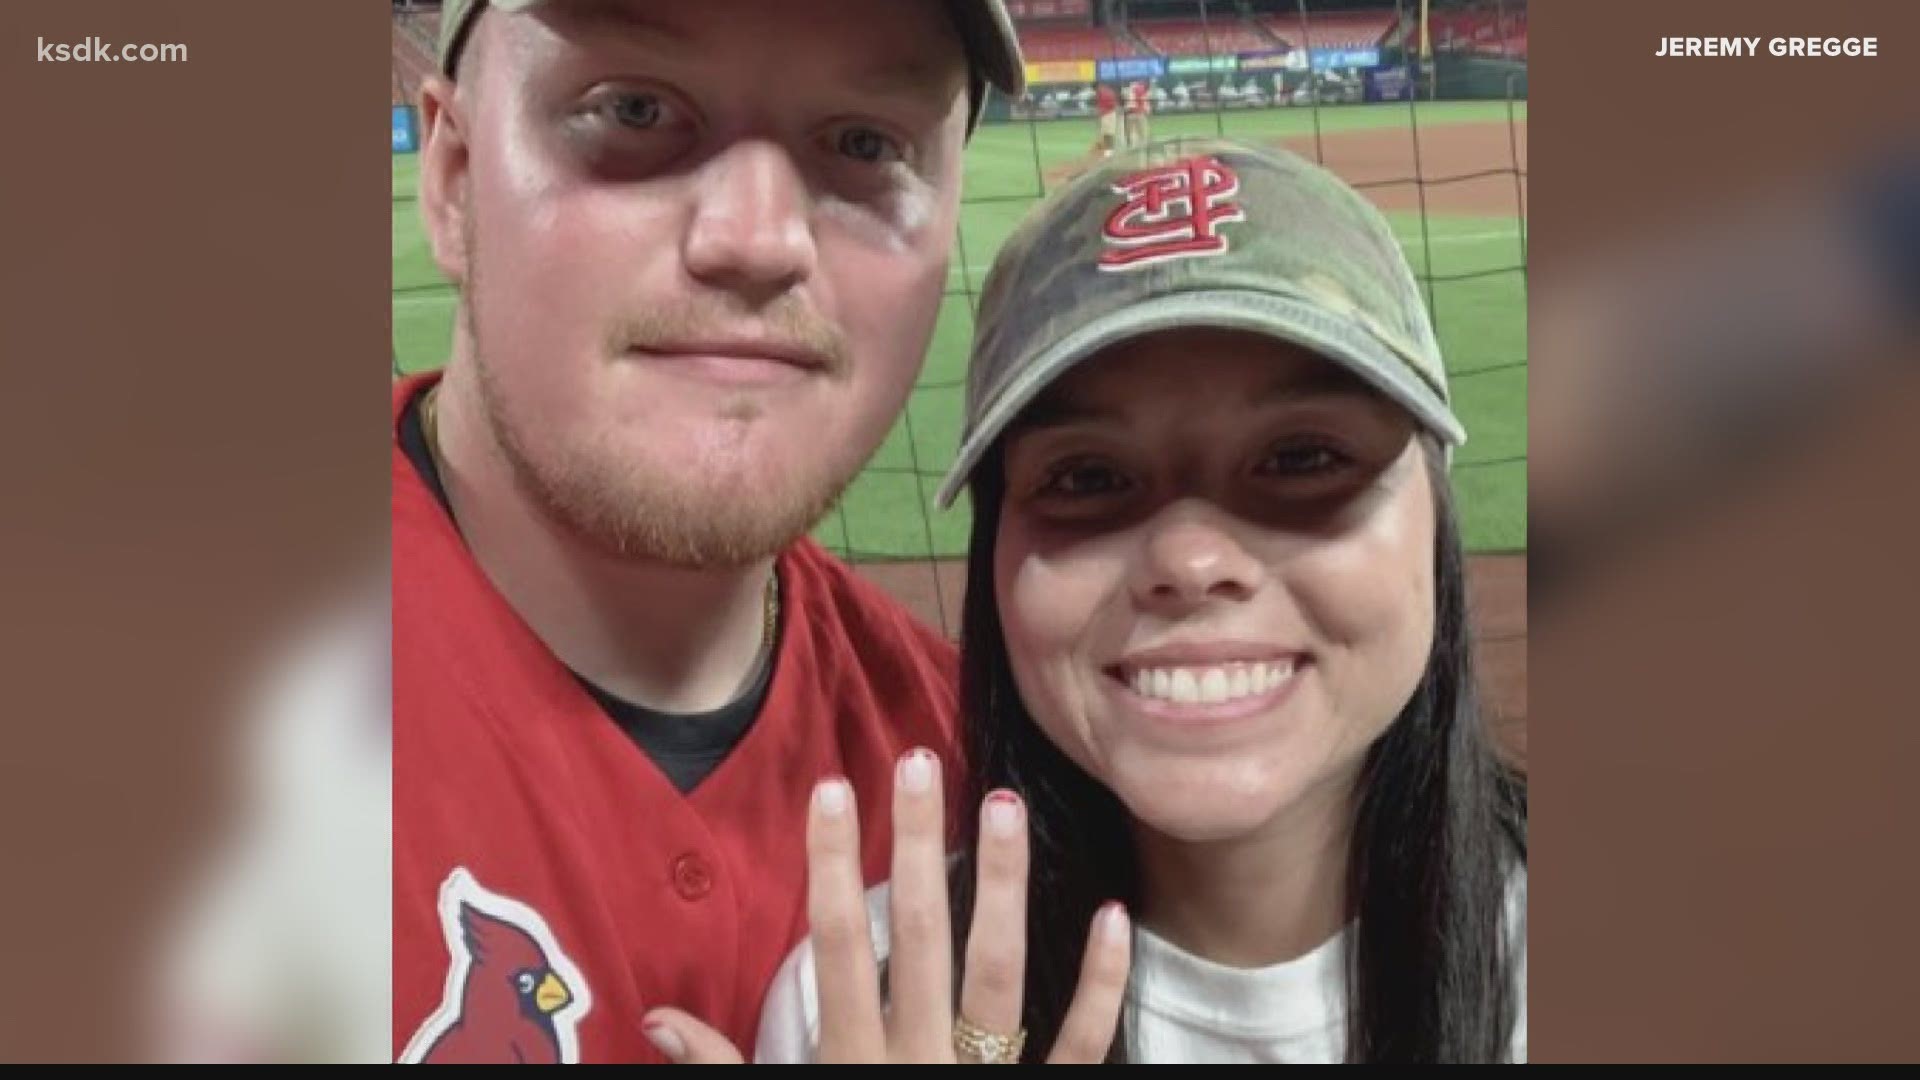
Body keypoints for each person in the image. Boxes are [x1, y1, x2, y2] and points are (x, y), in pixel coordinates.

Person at [644, 138, 1528, 1063]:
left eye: (1304, 459)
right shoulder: (873, 1008)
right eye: (1088, 477)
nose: (1189, 557)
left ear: (1434, 519)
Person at [391, 0, 1023, 1064]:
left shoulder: (984, 785)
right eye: (633, 110)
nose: (756, 240)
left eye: (866, 144)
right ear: (453, 181)